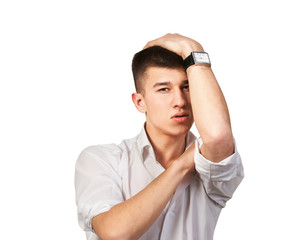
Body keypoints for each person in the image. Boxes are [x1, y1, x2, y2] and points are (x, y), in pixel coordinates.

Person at [75, 33, 244, 240]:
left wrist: (192, 48)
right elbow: (114, 233)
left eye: (187, 87)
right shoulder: (102, 159)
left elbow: (218, 136)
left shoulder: (208, 168)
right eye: (164, 89)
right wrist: (181, 165)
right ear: (139, 102)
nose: (180, 101)